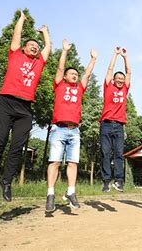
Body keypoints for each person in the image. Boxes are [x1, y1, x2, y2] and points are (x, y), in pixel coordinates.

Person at [0, 11, 51, 203]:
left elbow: (48, 47)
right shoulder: (15, 54)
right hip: (6, 102)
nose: (35, 48)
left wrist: (45, 32)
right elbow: (16, 36)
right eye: (31, 45)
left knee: (18, 146)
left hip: (25, 108)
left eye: (37, 47)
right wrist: (21, 20)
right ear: (23, 48)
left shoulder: (39, 63)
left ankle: (7, 181)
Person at [45, 40, 97, 212]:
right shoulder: (59, 85)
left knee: (73, 163)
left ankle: (71, 192)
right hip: (58, 129)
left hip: (74, 131)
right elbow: (60, 68)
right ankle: (50, 194)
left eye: (76, 73)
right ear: (65, 77)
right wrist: (65, 51)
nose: (75, 75)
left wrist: (93, 60)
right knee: (55, 162)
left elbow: (87, 75)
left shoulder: (79, 89)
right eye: (72, 73)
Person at [99, 46, 131, 192]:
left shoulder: (124, 88)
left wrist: (125, 57)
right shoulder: (108, 87)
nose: (120, 80)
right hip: (105, 124)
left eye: (122, 79)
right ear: (113, 80)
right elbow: (110, 69)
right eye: (117, 78)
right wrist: (115, 55)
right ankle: (106, 181)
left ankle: (119, 181)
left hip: (119, 126)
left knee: (119, 154)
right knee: (105, 153)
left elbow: (129, 71)